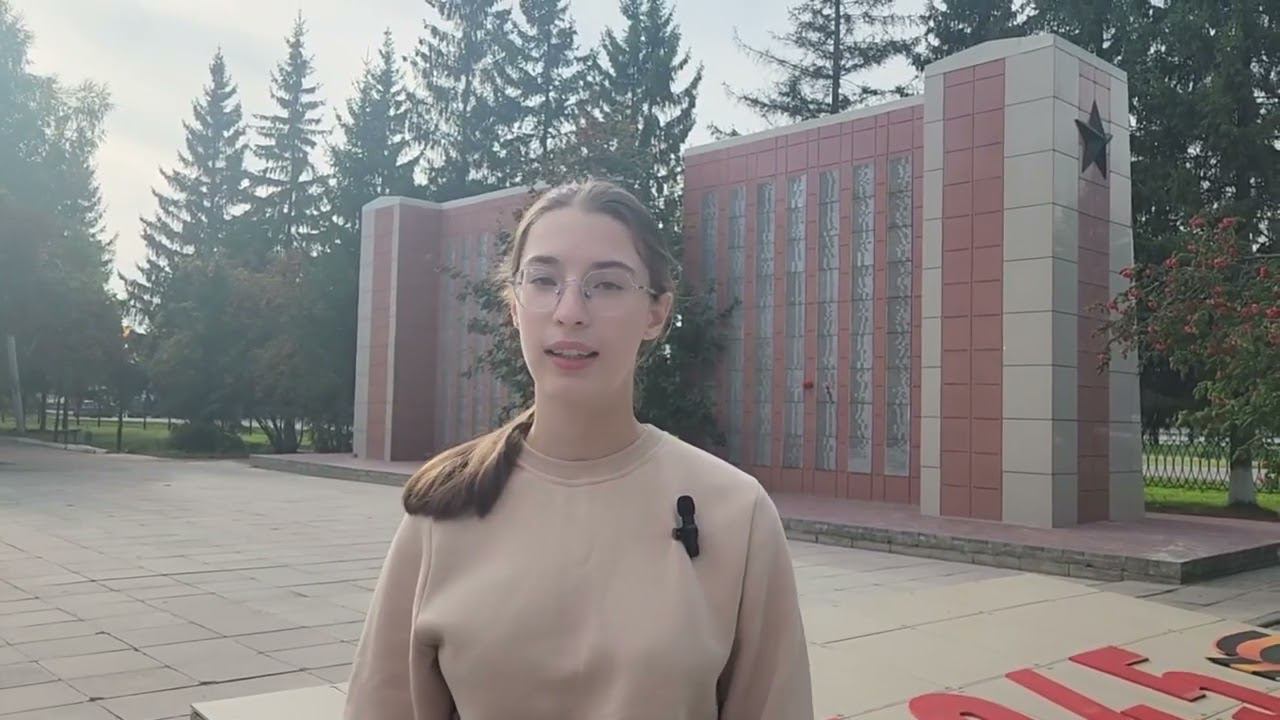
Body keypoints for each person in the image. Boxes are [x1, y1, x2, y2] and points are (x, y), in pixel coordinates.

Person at [344, 180, 813, 720]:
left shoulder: (734, 511)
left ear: (656, 313)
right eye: (544, 280)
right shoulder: (445, 508)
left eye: (606, 285)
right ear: (514, 306)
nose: (569, 311)